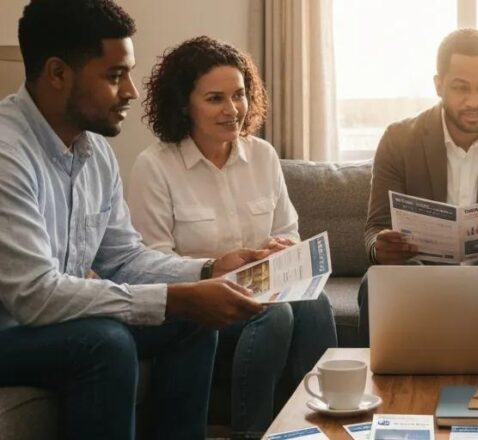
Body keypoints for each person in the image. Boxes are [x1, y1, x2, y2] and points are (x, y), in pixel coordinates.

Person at [0, 1, 283, 438]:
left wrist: (209, 270)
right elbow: (35, 297)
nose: (131, 91)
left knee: (192, 322)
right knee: (105, 343)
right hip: (12, 330)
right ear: (57, 73)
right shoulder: (8, 153)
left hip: (47, 324)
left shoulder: (95, 155)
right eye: (115, 76)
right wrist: (176, 298)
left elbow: (124, 257)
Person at [127, 36, 338, 438]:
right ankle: (251, 432)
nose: (233, 110)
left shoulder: (262, 156)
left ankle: (323, 425)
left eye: (239, 95)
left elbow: (286, 229)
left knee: (314, 300)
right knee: (277, 314)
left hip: (263, 288)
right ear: (183, 103)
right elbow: (147, 262)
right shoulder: (154, 167)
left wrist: (283, 247)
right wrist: (213, 268)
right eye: (215, 99)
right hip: (199, 310)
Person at [358, 28, 478, 346]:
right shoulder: (398, 139)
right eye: (461, 88)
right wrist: (380, 248)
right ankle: (391, 393)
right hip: (421, 272)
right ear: (438, 85)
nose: (474, 101)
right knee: (376, 282)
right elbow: (375, 228)